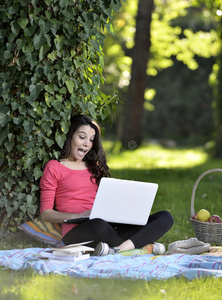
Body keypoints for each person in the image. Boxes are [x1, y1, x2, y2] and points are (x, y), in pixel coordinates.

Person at [40, 115, 174, 256]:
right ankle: (140, 246)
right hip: (80, 231)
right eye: (82, 137)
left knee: (165, 217)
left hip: (108, 226)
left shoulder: (94, 168)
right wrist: (79, 215)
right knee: (98, 225)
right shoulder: (54, 167)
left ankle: (118, 249)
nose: (87, 144)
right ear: (70, 136)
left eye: (91, 140)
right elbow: (46, 213)